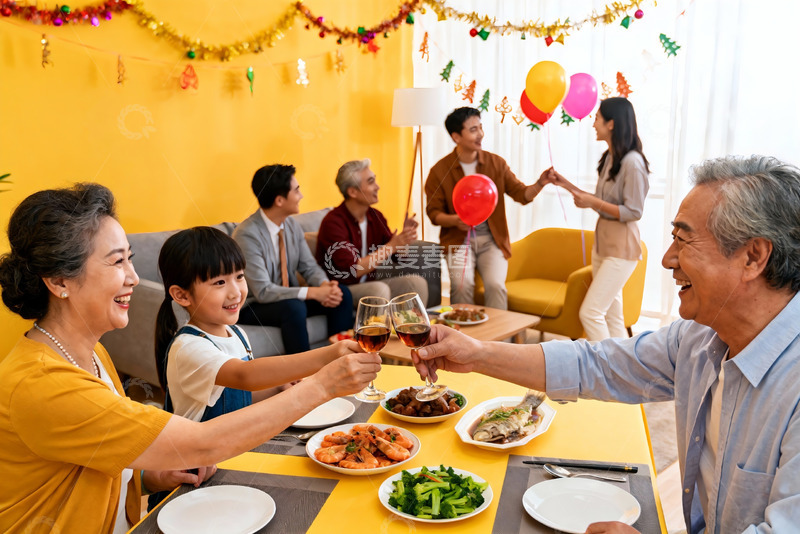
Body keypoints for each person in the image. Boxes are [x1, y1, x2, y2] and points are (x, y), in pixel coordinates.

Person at [412, 155, 800, 533]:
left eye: (684, 240)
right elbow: (594, 364)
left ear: (753, 257)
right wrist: (477, 353)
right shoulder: (700, 339)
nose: (667, 259)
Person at [0, 183, 380, 533]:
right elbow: (201, 442)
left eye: (130, 260)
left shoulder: (90, 353)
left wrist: (149, 479)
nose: (133, 277)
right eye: (117, 263)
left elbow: (93, 464)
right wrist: (322, 384)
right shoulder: (42, 383)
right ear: (59, 281)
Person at [148, 226, 364, 509]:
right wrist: (328, 355)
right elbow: (245, 376)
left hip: (235, 454)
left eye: (238, 276)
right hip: (195, 478)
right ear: (182, 295)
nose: (236, 291)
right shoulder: (188, 348)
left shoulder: (235, 333)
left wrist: (277, 387)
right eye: (218, 283)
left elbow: (240, 394)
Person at [542, 97, 650, 340]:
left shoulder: (633, 162)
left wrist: (593, 202)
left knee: (590, 312)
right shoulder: (610, 158)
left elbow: (634, 211)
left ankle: (604, 370)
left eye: (598, 118)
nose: (593, 123)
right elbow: (603, 203)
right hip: (603, 247)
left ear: (611, 124)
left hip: (622, 250)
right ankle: (623, 369)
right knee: (613, 317)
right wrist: (564, 183)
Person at [425, 106, 549, 310]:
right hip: (458, 241)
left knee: (496, 286)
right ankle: (463, 339)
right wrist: (456, 220)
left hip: (491, 241)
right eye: (473, 129)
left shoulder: (496, 164)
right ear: (456, 136)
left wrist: (540, 183)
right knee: (461, 285)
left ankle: (500, 340)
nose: (480, 134)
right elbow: (434, 213)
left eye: (480, 128)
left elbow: (521, 195)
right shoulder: (439, 171)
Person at [234, 164, 353, 354]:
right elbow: (263, 291)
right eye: (296, 191)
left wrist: (324, 287)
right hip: (254, 305)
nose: (301, 196)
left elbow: (308, 267)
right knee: (293, 308)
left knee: (342, 295)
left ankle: (343, 359)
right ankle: (303, 373)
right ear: (280, 200)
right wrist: (313, 293)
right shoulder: (247, 235)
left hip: (287, 298)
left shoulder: (290, 225)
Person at [315, 158, 429, 306]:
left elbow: (397, 257)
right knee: (378, 289)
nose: (378, 187)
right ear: (352, 191)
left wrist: (404, 239)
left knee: (416, 283)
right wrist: (391, 246)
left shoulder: (375, 216)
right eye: (370, 182)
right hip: (341, 290)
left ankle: (412, 328)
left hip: (369, 286)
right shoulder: (333, 223)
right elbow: (353, 270)